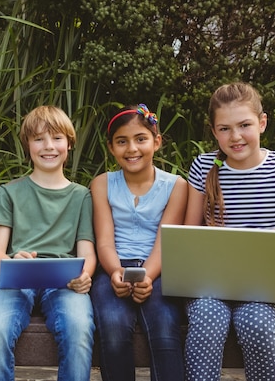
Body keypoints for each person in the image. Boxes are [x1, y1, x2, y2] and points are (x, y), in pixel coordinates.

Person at [184, 82, 275, 381]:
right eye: (224, 128)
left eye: (244, 125)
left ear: (262, 123)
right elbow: (189, 232)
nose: (235, 136)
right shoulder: (203, 167)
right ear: (214, 132)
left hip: (262, 286)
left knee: (256, 323)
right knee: (206, 319)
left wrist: (269, 236)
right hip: (211, 284)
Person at [0, 105, 97, 381]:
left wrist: (85, 275)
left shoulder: (81, 196)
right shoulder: (8, 192)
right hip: (17, 276)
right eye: (39, 139)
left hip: (64, 280)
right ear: (27, 146)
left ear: (69, 144)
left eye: (57, 138)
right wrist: (11, 262)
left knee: (79, 327)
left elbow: (87, 252)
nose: (49, 146)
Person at [90, 104, 187, 381]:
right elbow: (105, 241)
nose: (132, 148)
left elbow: (164, 241)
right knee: (112, 325)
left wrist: (149, 276)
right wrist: (114, 272)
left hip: (158, 269)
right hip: (113, 268)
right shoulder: (102, 184)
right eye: (122, 142)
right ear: (111, 147)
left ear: (156, 142)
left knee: (165, 326)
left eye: (140, 139)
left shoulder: (176, 186)